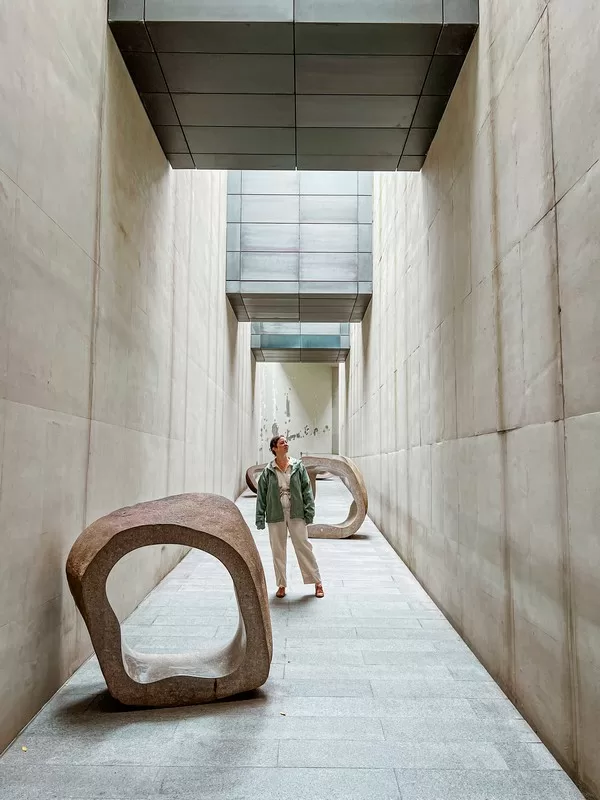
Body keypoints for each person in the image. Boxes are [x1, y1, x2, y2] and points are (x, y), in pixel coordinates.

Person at [255, 435, 324, 599]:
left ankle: (317, 582)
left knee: (303, 546)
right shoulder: (268, 471)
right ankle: (281, 585)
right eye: (281, 442)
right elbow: (261, 495)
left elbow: (306, 489)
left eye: (286, 442)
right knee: (278, 550)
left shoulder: (297, 466)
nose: (286, 444)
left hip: (296, 512)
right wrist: (260, 517)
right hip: (275, 514)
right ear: (274, 448)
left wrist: (309, 511)